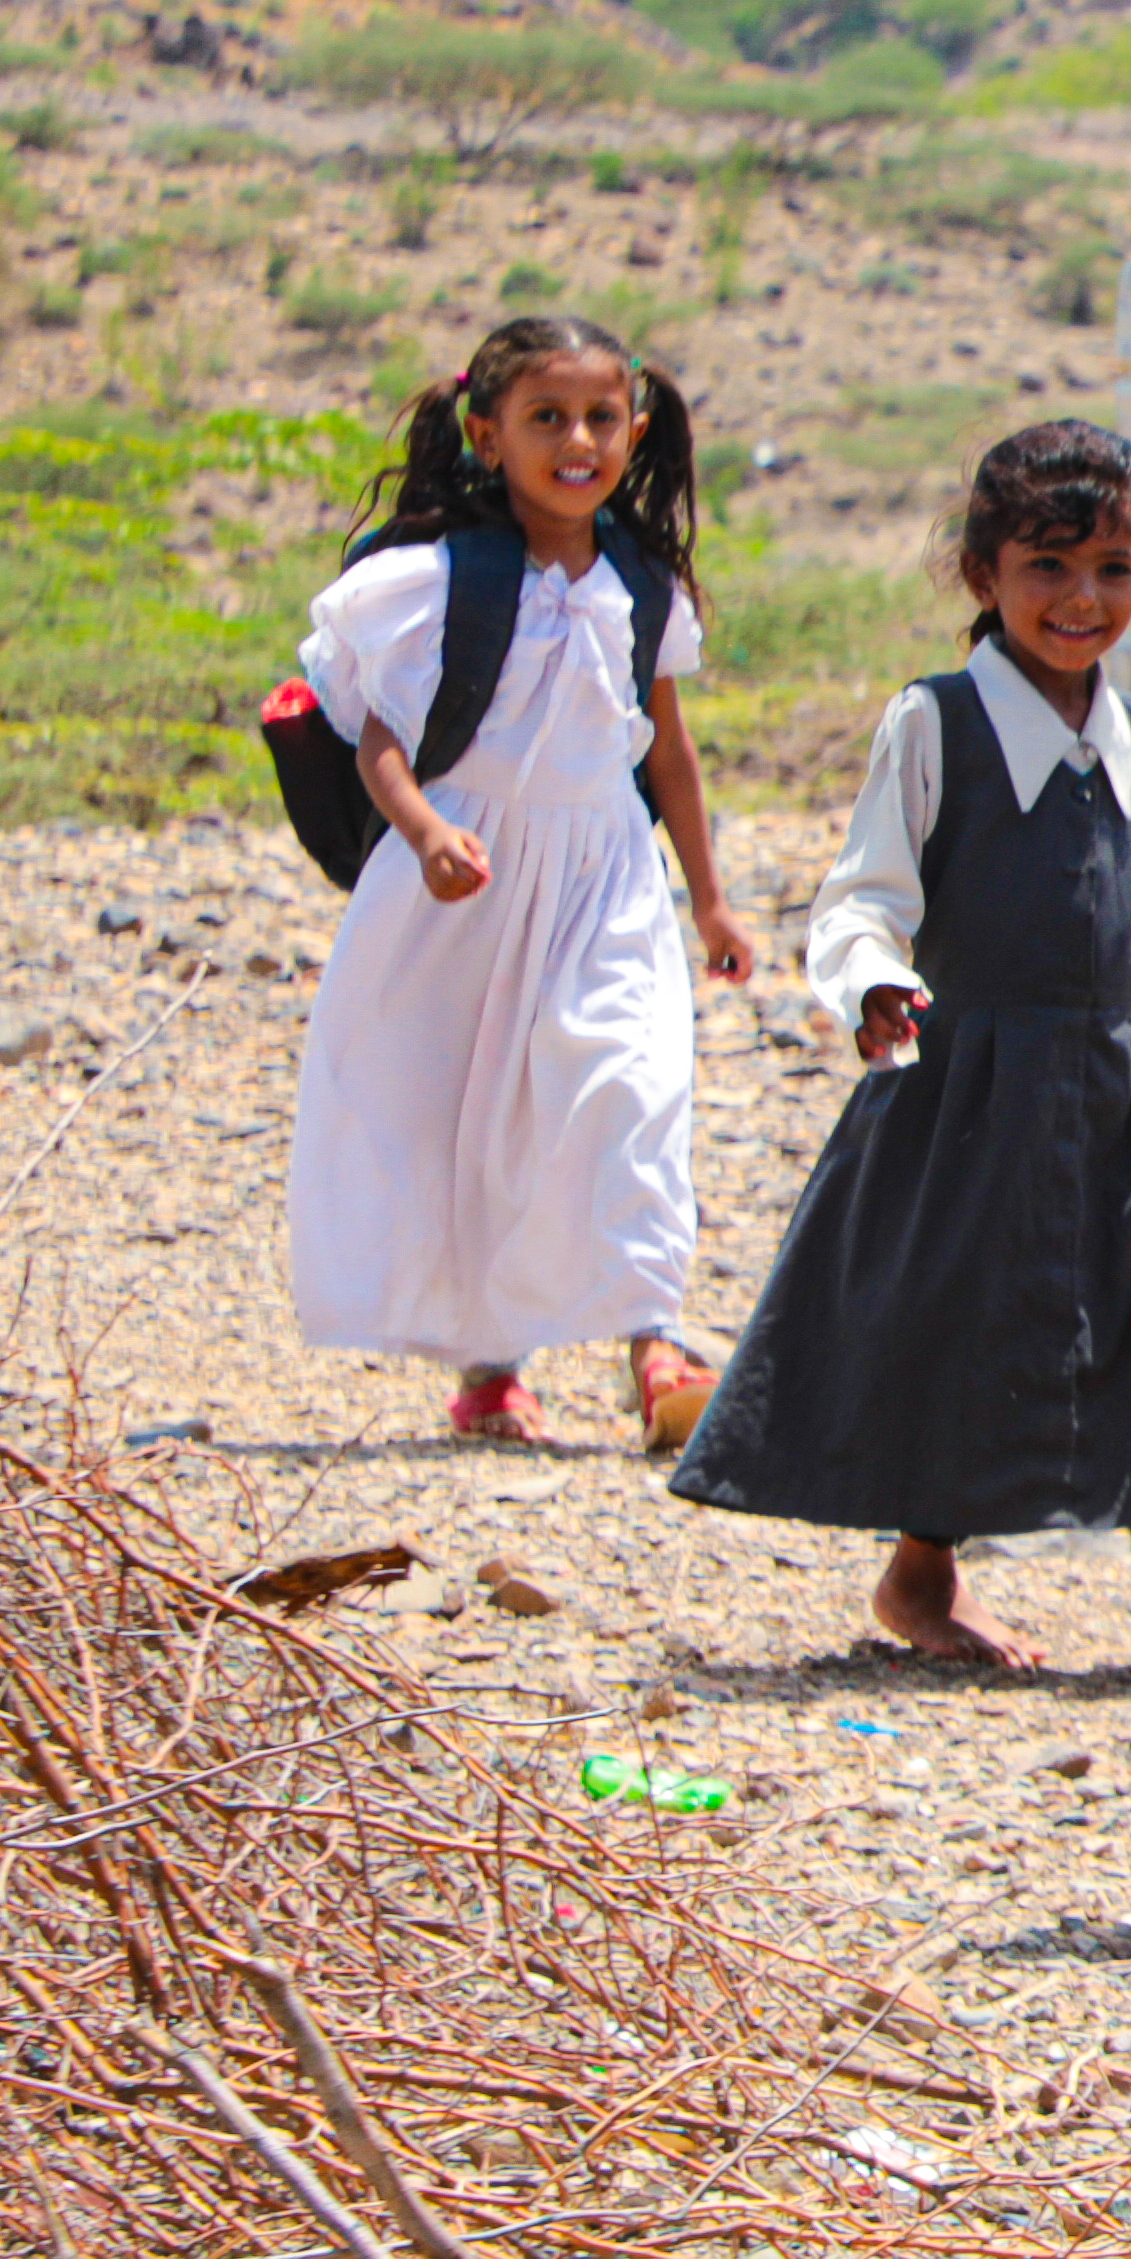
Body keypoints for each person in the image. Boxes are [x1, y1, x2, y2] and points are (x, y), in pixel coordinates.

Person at [673, 422, 1131, 1680]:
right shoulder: (933, 726)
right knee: (951, 1318)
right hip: (965, 1081)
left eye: (1111, 567)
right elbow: (863, 897)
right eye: (1047, 568)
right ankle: (921, 1573)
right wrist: (873, 982)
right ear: (983, 574)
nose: (1082, 600)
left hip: (1114, 1089)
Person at [283, 312, 754, 1452]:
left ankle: (657, 1343)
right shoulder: (433, 582)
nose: (579, 440)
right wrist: (429, 830)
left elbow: (666, 748)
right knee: (478, 1119)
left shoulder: (644, 587)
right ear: (488, 437)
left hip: (603, 873)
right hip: (466, 885)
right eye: (548, 418)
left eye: (601, 418)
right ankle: (492, 1370)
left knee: (631, 1089)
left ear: (635, 433)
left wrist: (708, 895)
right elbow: (380, 745)